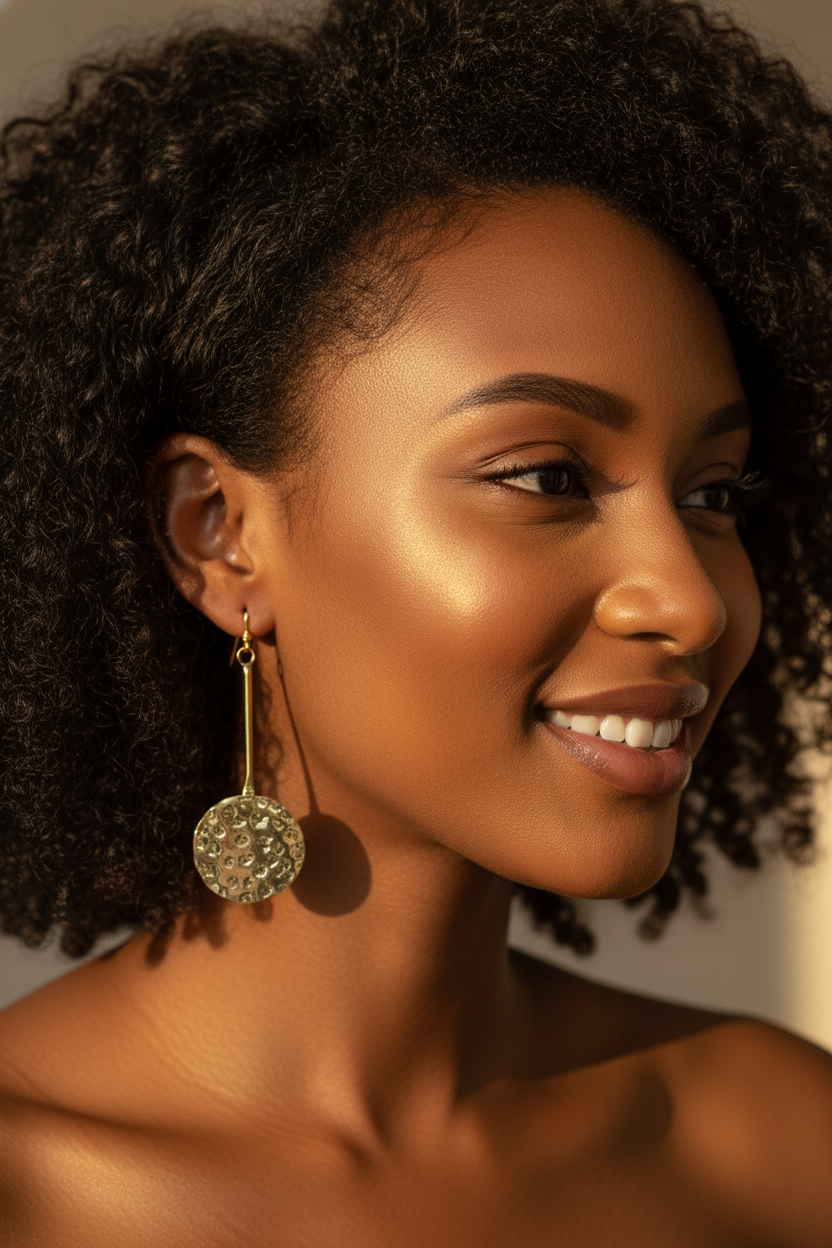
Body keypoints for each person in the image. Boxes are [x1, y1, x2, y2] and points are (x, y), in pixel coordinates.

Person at [0, 0, 831, 1241]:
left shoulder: (778, 1145)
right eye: (546, 476)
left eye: (713, 495)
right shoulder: (33, 1192)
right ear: (220, 535)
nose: (693, 598)